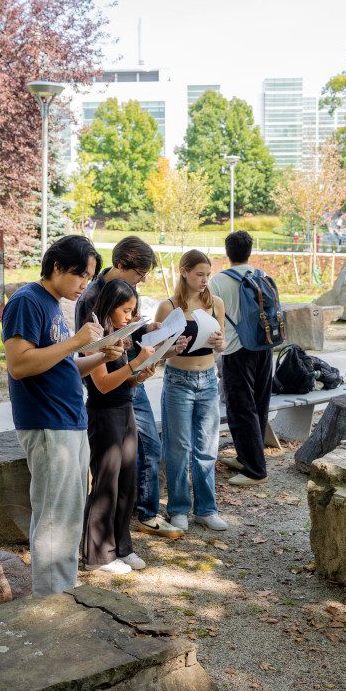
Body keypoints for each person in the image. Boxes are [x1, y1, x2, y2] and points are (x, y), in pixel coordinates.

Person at [2, 235, 122, 595]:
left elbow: (63, 366)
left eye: (88, 276)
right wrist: (76, 341)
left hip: (68, 422)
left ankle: (61, 596)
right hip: (48, 424)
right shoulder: (27, 301)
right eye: (80, 275)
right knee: (56, 520)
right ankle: (52, 606)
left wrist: (102, 356)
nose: (85, 283)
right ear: (57, 267)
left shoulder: (54, 304)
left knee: (67, 519)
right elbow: (19, 364)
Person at [74, 236, 183, 539]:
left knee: (145, 450)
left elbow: (128, 331)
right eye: (139, 274)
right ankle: (108, 535)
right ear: (121, 265)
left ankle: (138, 518)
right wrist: (131, 365)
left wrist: (153, 333)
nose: (142, 280)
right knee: (112, 469)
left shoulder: (127, 287)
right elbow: (94, 348)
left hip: (131, 375)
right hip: (109, 386)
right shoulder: (90, 297)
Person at [81, 280, 158, 575]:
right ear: (110, 306)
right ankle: (97, 556)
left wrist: (141, 373)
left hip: (125, 408)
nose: (130, 317)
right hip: (103, 414)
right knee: (106, 482)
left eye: (133, 311)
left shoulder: (120, 333)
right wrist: (135, 362)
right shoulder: (97, 333)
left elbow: (124, 380)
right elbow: (100, 384)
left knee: (127, 480)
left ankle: (122, 546)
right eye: (126, 310)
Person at [156, 250, 227, 533]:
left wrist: (220, 342)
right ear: (184, 271)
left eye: (208, 275)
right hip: (178, 380)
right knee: (177, 448)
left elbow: (222, 347)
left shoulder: (216, 303)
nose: (205, 280)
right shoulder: (168, 306)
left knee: (207, 448)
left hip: (209, 379)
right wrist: (173, 348)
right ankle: (179, 509)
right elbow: (156, 352)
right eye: (199, 274)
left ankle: (207, 509)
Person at [209, 231, 272, 487]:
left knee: (240, 408)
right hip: (264, 346)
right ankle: (247, 457)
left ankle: (255, 471)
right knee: (259, 404)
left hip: (236, 349)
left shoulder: (219, 281)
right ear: (250, 250)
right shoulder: (262, 275)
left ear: (227, 252)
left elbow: (211, 317)